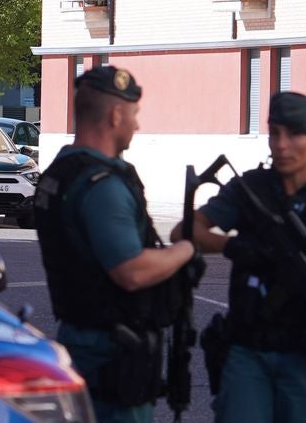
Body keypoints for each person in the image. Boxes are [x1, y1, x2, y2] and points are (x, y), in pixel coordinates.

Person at [173, 92, 306, 422]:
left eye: (294, 134)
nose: (282, 145)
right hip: (248, 348)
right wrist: (234, 247)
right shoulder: (250, 189)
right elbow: (185, 230)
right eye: (275, 134)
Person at [34, 66, 201, 423]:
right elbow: (131, 271)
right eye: (134, 115)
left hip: (84, 336)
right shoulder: (102, 185)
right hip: (112, 351)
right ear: (115, 115)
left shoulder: (61, 171)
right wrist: (185, 250)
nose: (137, 126)